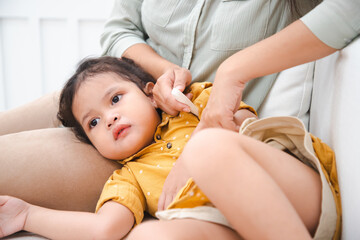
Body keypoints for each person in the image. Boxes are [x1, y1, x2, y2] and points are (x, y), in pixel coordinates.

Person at [0, 0, 358, 224]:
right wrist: (159, 74)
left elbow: (349, 9)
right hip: (130, 92)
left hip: (182, 120)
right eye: (95, 122)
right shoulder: (115, 123)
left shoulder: (133, 171)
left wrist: (234, 72)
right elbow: (118, 31)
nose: (106, 119)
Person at [0, 56, 257, 239]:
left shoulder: (189, 105)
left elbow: (246, 123)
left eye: (115, 99)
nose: (109, 119)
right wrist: (26, 215)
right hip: (218, 225)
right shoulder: (129, 178)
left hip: (259, 185)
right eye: (94, 122)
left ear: (151, 94)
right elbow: (104, 229)